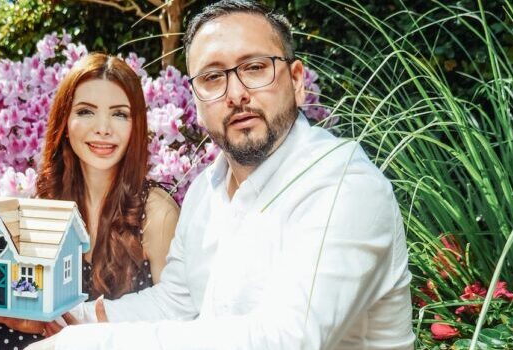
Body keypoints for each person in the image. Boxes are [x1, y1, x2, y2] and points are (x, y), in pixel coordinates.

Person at [25, 1, 415, 349]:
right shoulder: (206, 191)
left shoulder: (341, 186)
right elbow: (176, 303)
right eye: (213, 77)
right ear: (195, 100)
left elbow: (286, 339)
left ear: (296, 81)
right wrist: (67, 318)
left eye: (255, 68)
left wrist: (91, 343)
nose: (236, 92)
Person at [0, 53, 180, 350]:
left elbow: (176, 321)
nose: (103, 128)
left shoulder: (157, 214)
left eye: (120, 114)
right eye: (86, 111)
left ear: (136, 125)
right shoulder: (48, 203)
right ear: (65, 121)